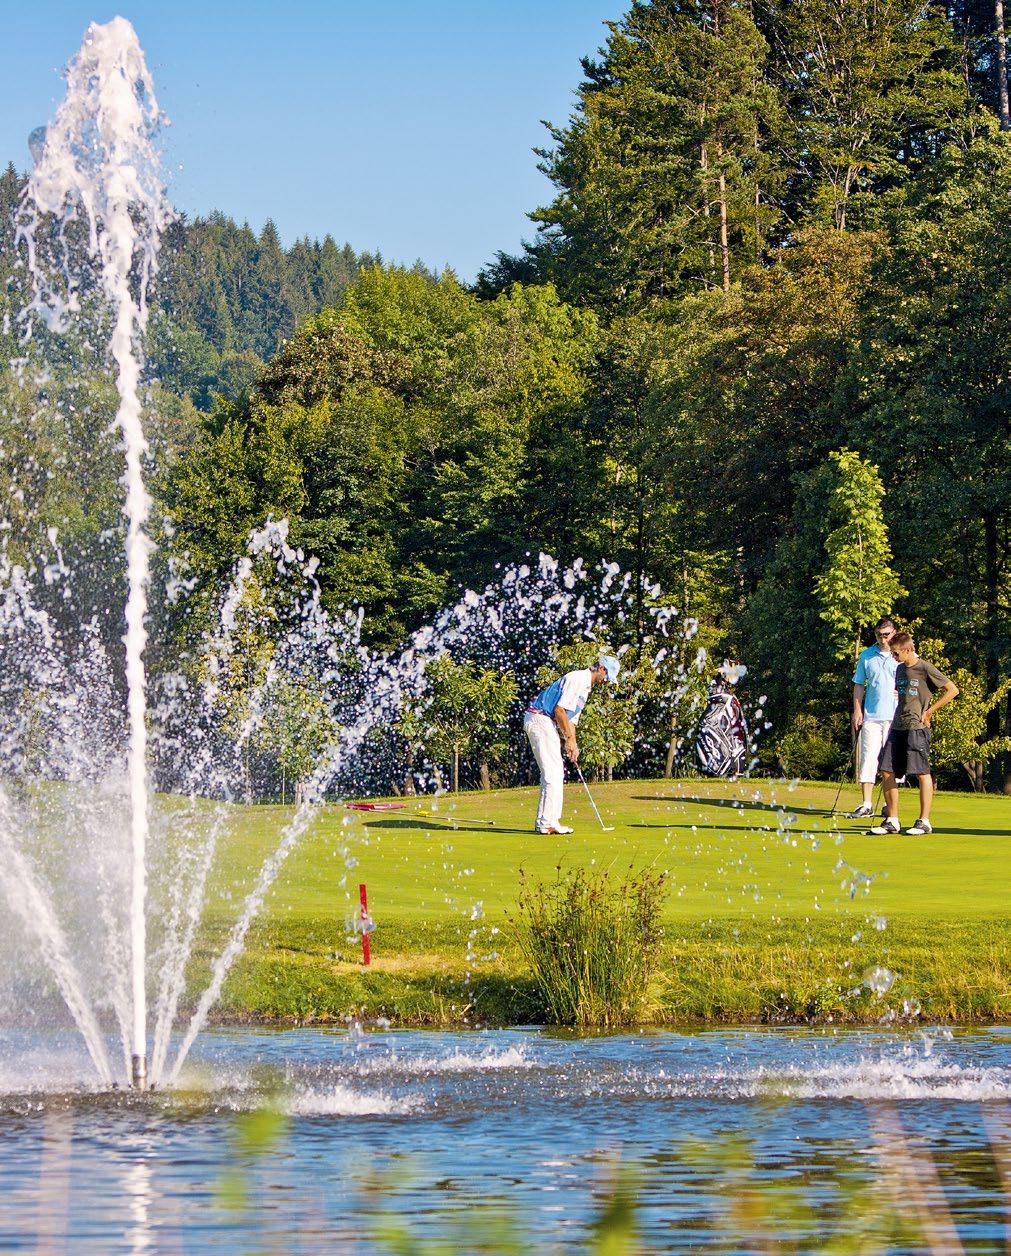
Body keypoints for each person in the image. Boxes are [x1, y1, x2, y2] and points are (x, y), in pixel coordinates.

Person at [870, 632, 958, 836]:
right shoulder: (899, 669)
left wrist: (929, 711)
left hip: (917, 729)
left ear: (907, 650)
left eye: (896, 653)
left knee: (921, 772)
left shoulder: (925, 667)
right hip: (897, 727)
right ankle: (892, 820)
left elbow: (952, 690)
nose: (893, 657)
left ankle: (924, 821)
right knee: (886, 770)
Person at [524, 655, 620, 835]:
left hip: (545, 722)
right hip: (539, 719)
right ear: (601, 669)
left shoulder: (586, 688)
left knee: (556, 772)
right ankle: (546, 823)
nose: (606, 681)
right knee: (552, 773)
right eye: (607, 676)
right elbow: (558, 710)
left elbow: (570, 720)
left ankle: (550, 821)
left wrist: (573, 744)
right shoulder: (578, 679)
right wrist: (568, 739)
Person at [848, 616, 899, 819]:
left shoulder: (903, 654)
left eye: (886, 635)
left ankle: (889, 806)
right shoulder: (867, 655)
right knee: (868, 757)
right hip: (871, 715)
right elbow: (859, 684)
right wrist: (857, 710)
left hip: (895, 716)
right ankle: (867, 804)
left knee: (892, 762)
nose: (883, 639)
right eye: (879, 635)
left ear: (894, 633)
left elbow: (915, 679)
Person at [696, 670, 748, 779]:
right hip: (720, 728)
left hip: (728, 731)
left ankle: (733, 771)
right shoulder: (722, 694)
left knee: (736, 745)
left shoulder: (726, 696)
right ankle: (727, 771)